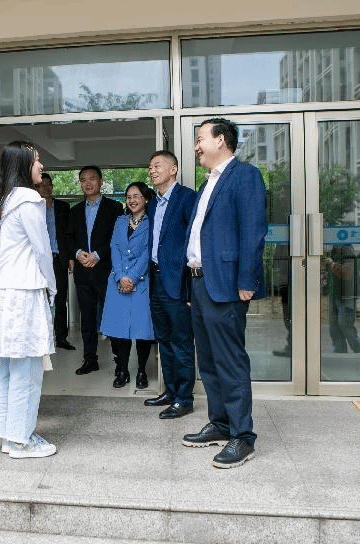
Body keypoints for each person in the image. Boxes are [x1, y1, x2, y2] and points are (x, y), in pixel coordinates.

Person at [181, 118, 267, 469]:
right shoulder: (207, 184)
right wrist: (191, 284)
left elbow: (253, 231)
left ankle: (242, 436)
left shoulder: (245, 176)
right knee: (209, 361)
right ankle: (219, 423)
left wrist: (247, 280)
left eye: (200, 138)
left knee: (230, 361)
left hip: (227, 285)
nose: (196, 146)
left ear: (221, 140)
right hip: (200, 283)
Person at [0, 141, 57, 459]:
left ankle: (8, 434)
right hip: (22, 294)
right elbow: (42, 250)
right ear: (23, 165)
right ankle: (21, 440)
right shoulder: (30, 200)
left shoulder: (2, 201)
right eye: (36, 161)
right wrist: (52, 287)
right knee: (27, 370)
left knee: (8, 369)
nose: (41, 166)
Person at [144, 150, 198, 418]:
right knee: (164, 340)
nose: (152, 171)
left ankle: (185, 399)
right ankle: (171, 391)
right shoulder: (153, 204)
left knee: (181, 342)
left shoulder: (187, 198)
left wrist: (190, 289)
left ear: (173, 169)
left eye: (157, 166)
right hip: (156, 280)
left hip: (178, 282)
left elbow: (195, 242)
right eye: (150, 167)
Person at [99, 181, 156, 389]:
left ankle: (141, 371)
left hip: (141, 282)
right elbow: (114, 248)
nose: (132, 200)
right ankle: (122, 370)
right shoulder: (120, 221)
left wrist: (131, 277)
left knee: (142, 331)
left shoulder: (152, 221)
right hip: (118, 282)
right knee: (119, 331)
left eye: (136, 196)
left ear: (146, 199)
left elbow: (148, 252)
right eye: (129, 197)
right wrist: (121, 277)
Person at [68, 166, 123, 375]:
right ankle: (90, 359)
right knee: (87, 319)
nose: (88, 183)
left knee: (112, 316)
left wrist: (98, 255)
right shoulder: (74, 211)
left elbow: (117, 237)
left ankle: (120, 362)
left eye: (92, 178)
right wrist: (77, 253)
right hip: (83, 272)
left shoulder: (115, 207)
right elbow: (68, 238)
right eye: (83, 180)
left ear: (101, 182)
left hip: (105, 271)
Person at [36, 173, 75, 350]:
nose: (46, 188)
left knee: (60, 300)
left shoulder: (63, 207)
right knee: (39, 299)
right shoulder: (32, 207)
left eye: (48, 184)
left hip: (59, 258)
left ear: (52, 186)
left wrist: (71, 257)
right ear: (36, 188)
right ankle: (41, 338)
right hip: (38, 261)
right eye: (41, 185)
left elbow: (69, 234)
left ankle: (61, 338)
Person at [325, 244, 360, 354]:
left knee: (344, 324)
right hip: (335, 293)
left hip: (347, 294)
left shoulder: (347, 250)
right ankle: (340, 354)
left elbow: (347, 273)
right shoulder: (334, 250)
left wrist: (332, 265)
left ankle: (358, 349)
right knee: (334, 327)